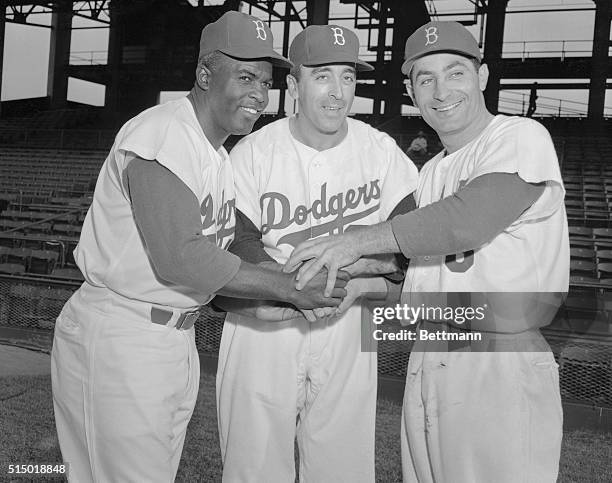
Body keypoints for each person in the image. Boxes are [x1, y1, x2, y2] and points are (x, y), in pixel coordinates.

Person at [50, 11, 348, 483]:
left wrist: (256, 303)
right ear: (205, 74)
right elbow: (180, 256)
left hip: (172, 337)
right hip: (122, 336)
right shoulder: (163, 131)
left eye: (266, 82)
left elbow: (215, 263)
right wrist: (288, 285)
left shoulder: (217, 156)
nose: (258, 94)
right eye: (245, 76)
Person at [286, 20, 569, 483]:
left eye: (455, 73)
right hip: (430, 347)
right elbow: (422, 278)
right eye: (425, 79)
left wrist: (354, 240)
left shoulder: (518, 136)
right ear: (412, 93)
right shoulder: (433, 170)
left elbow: (467, 221)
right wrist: (363, 285)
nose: (441, 90)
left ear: (482, 77)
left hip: (497, 355)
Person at [213, 24, 418, 482]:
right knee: (254, 466)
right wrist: (291, 288)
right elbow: (236, 242)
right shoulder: (253, 152)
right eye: (323, 75)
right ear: (293, 85)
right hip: (263, 327)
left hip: (349, 324)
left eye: (348, 77)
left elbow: (409, 242)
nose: (337, 92)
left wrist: (350, 272)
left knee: (342, 467)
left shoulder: (381, 151)